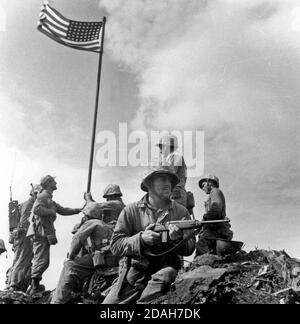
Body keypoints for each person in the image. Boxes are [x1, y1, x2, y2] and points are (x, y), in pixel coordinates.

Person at [103, 164, 195, 304]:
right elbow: (116, 245)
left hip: (166, 271)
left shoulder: (181, 212)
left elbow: (190, 248)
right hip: (135, 273)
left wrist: (179, 239)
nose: (168, 184)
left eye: (170, 180)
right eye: (163, 179)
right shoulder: (131, 210)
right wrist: (141, 239)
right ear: (149, 183)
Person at [51, 184, 125, 304]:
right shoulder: (105, 223)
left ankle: (58, 301)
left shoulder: (112, 208)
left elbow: (77, 239)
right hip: (114, 253)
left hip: (107, 256)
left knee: (70, 266)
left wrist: (70, 258)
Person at [26, 175, 82, 295]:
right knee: (41, 260)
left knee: (42, 260)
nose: (56, 183)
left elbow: (63, 210)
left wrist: (79, 210)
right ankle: (34, 286)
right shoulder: (44, 196)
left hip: (44, 233)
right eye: (53, 181)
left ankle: (34, 284)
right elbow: (36, 209)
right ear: (48, 183)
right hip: (41, 233)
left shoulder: (49, 198)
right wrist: (50, 211)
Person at [8, 184, 41, 292]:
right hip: (25, 235)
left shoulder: (24, 205)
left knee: (20, 260)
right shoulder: (31, 204)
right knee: (22, 260)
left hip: (22, 236)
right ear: (35, 193)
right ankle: (15, 284)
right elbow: (25, 223)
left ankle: (16, 284)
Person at [195, 174, 233, 256]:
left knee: (202, 246)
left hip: (215, 229)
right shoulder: (212, 195)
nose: (203, 188)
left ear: (209, 183)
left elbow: (216, 208)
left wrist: (204, 219)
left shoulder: (215, 191)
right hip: (215, 228)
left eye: (203, 185)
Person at [157, 134, 188, 208]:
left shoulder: (176, 156)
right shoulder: (169, 158)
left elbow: (171, 173)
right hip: (171, 192)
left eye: (161, 147)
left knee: (176, 216)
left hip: (176, 192)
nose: (160, 151)